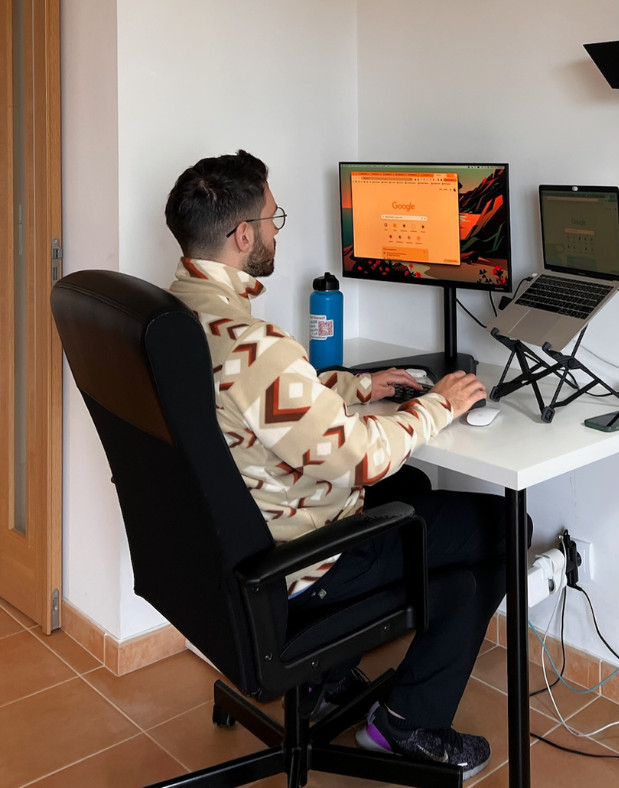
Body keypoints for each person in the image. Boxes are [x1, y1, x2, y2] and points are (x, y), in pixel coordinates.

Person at [165, 150, 526, 779]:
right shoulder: (255, 347)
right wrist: (440, 404)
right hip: (299, 562)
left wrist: (355, 387)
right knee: (507, 528)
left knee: (415, 485)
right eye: (273, 218)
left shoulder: (179, 315)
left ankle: (325, 680)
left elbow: (255, 401)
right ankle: (406, 723)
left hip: (231, 548)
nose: (277, 230)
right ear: (243, 235)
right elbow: (361, 459)